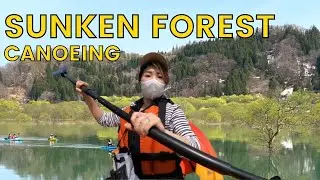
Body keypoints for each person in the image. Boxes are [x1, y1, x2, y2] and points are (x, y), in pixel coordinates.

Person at [76, 52, 201, 179]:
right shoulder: (130, 110)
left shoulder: (172, 111)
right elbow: (103, 119)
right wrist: (88, 99)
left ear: (165, 82)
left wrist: (163, 132)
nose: (153, 80)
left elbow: (195, 147)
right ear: (140, 79)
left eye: (159, 76)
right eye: (148, 75)